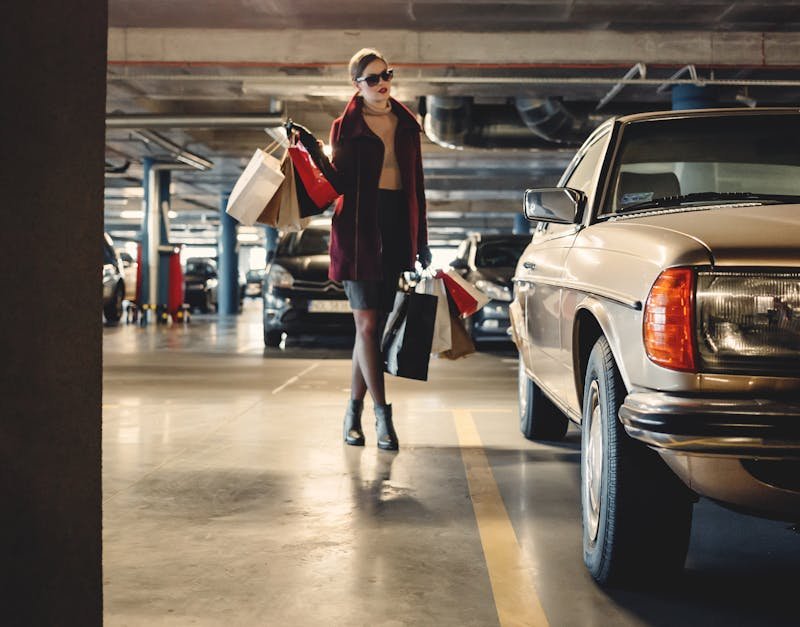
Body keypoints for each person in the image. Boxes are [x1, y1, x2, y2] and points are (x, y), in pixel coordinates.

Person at [289, 47, 431, 451]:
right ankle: (382, 417)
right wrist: (312, 149)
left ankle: (351, 412)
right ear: (357, 85)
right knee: (367, 328)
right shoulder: (345, 127)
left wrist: (421, 240)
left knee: (371, 330)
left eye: (386, 74)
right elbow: (336, 180)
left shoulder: (407, 125)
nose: (382, 83)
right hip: (357, 230)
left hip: (396, 229)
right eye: (372, 78)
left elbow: (416, 186)